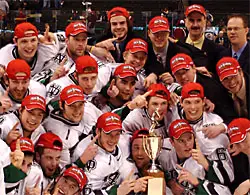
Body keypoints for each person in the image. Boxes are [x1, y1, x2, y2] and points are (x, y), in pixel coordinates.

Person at [158, 119, 232, 194]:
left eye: (189, 138)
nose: (187, 144)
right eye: (181, 141)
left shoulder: (205, 155)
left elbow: (225, 188)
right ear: (172, 142)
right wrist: (169, 182)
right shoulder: (162, 148)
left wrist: (198, 182)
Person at [72, 112, 137, 194]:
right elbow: (85, 193)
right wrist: (117, 191)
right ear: (98, 131)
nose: (113, 139)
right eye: (108, 134)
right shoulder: (85, 154)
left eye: (117, 134)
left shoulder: (123, 142)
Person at [170, 53, 238, 124]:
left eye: (185, 71)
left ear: (193, 68)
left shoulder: (212, 88)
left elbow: (230, 117)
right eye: (178, 73)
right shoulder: (177, 86)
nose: (183, 76)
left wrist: (222, 127)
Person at [43, 84, 101, 167]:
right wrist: (82, 160)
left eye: (80, 105)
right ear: (61, 105)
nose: (77, 110)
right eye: (72, 106)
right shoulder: (56, 132)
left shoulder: (89, 109)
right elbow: (63, 174)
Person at [176, 4, 225, 75]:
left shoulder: (217, 51)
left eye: (199, 20)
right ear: (185, 22)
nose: (195, 25)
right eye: (191, 20)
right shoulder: (176, 47)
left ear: (205, 22)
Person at [144, 16, 188, 87]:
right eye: (156, 33)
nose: (159, 37)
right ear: (149, 33)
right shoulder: (143, 50)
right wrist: (153, 74)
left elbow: (188, 77)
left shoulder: (180, 52)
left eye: (163, 33)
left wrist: (175, 79)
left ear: (168, 34)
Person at [227, 118, 250, 194]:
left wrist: (248, 183)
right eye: (237, 142)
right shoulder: (241, 156)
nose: (242, 146)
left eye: (244, 140)